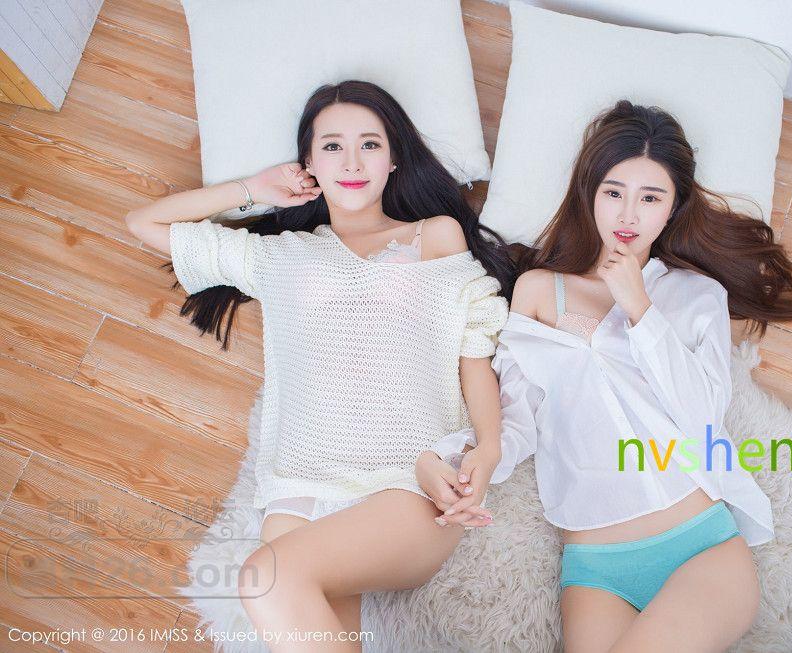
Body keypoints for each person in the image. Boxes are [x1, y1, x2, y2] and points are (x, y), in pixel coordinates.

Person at [420, 100, 792, 652]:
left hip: (698, 547)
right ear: (590, 194)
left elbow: (701, 414)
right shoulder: (538, 290)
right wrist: (455, 462)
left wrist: (640, 309)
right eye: (614, 192)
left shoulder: (695, 295)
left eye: (650, 198)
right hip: (594, 568)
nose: (628, 215)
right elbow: (514, 419)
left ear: (672, 209)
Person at [125, 80, 510, 652]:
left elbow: (473, 353)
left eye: (370, 145)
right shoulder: (281, 256)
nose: (352, 162)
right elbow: (143, 223)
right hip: (298, 487)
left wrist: (490, 446)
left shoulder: (434, 236)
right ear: (308, 164)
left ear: (393, 158)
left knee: (263, 578)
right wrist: (254, 189)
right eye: (332, 147)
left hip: (408, 479)